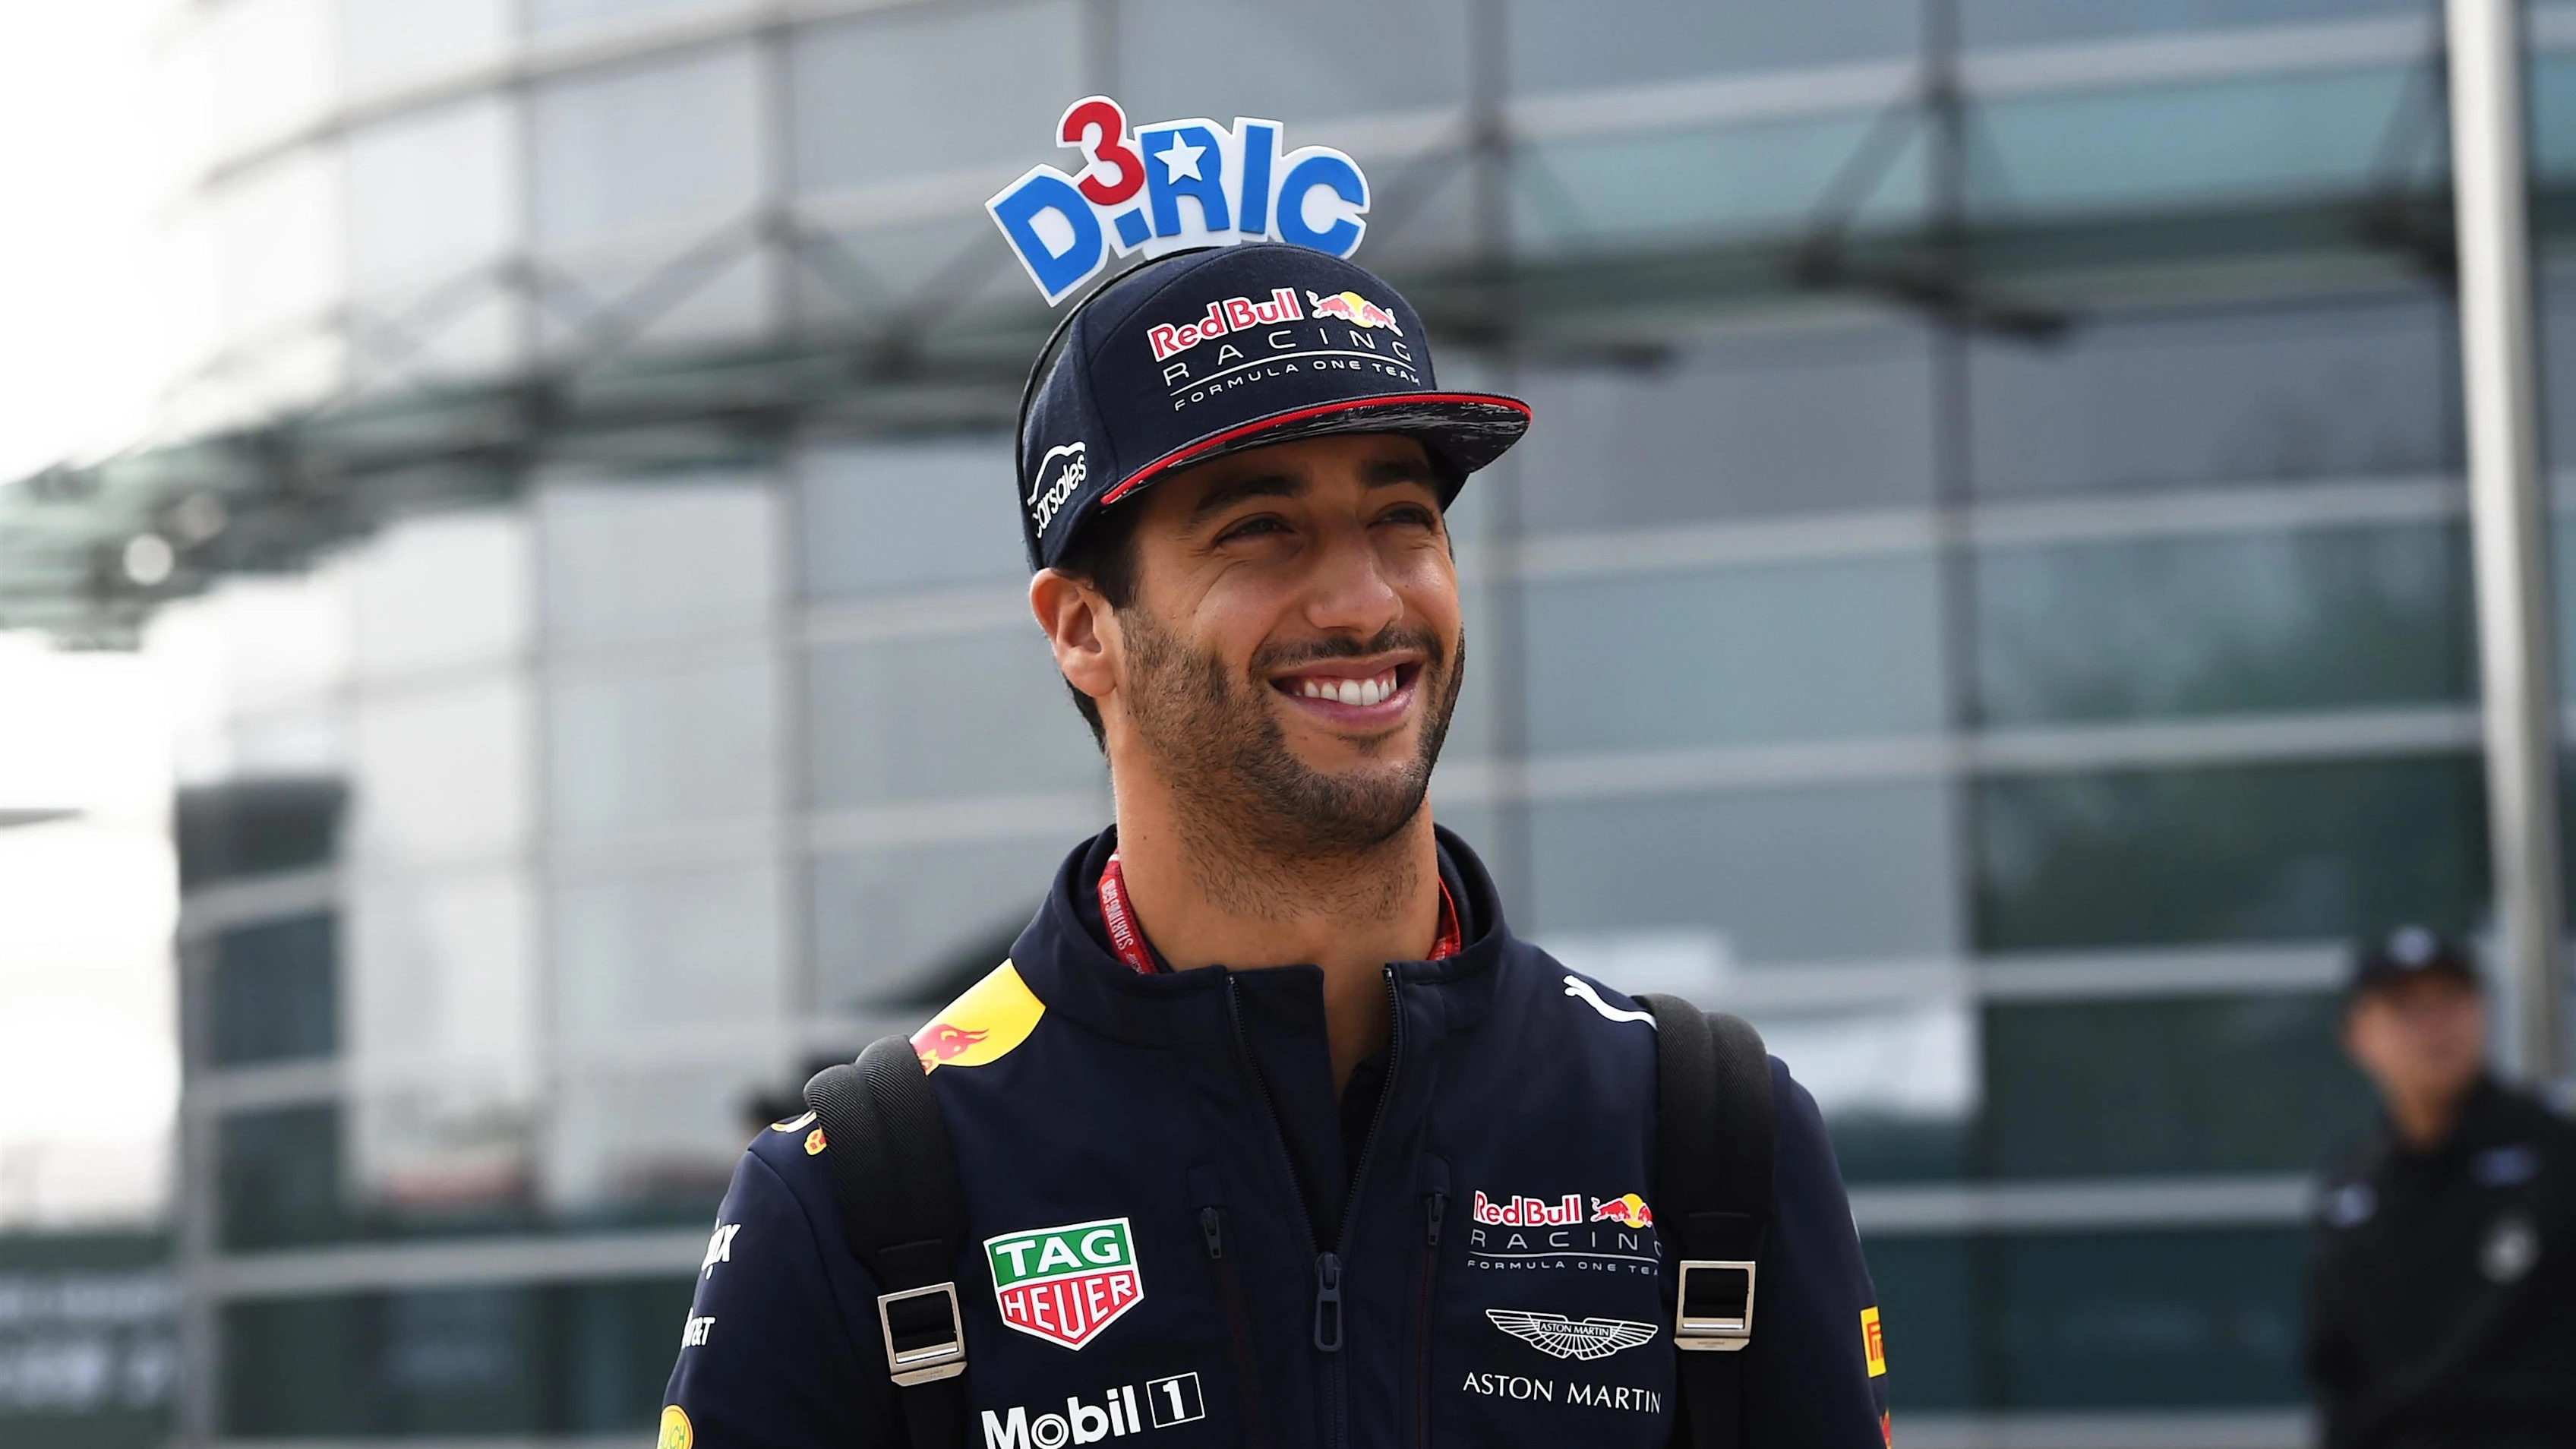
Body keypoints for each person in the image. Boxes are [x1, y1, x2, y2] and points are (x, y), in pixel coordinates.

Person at [658, 243, 1892, 1449]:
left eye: (1401, 519)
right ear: (1083, 625)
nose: (1364, 599)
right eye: (1260, 528)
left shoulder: (1707, 1140)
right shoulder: (860, 1198)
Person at [2304, 927, 2576, 1448]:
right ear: (2358, 1036)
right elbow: (2339, 1374)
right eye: (2406, 1008)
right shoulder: (2352, 1192)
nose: (2434, 1027)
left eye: (2451, 1002)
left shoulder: (2559, 1158)